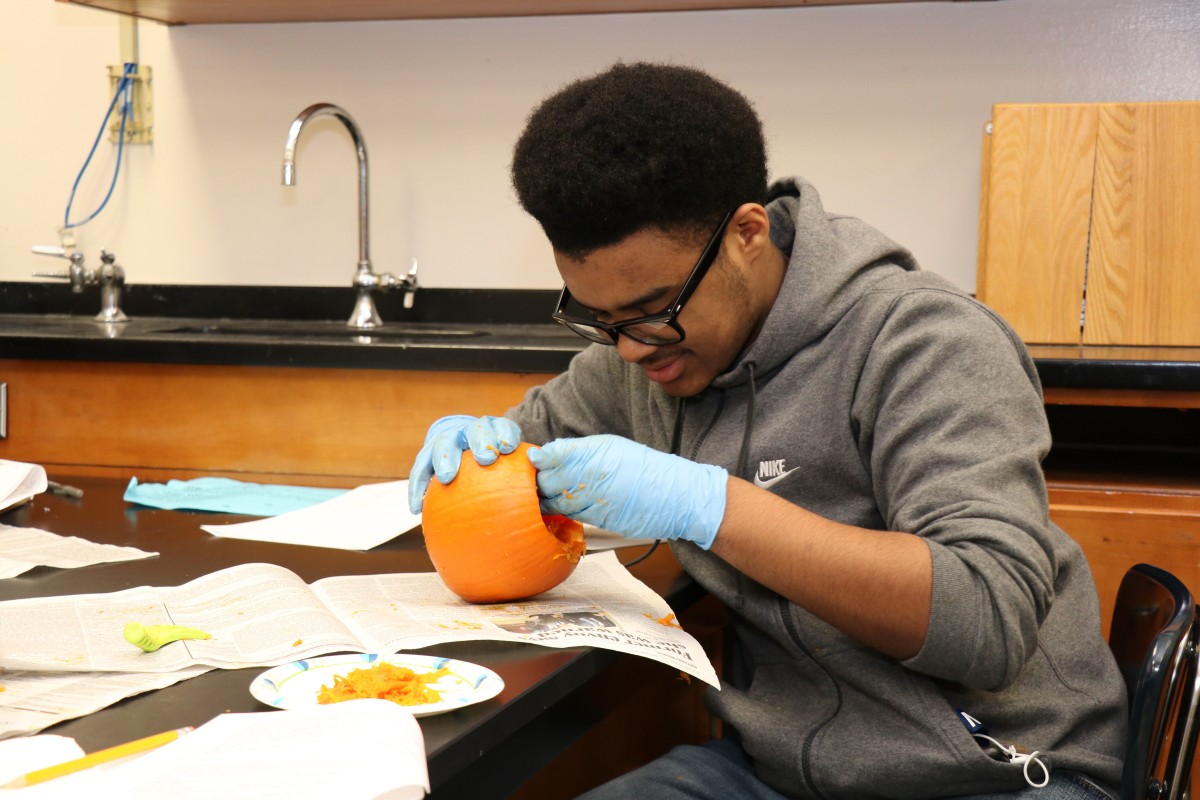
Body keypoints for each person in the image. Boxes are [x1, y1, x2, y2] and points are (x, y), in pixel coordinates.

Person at [408, 62, 1127, 800]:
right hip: (780, 775)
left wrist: (710, 506)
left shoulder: (927, 343)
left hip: (997, 775)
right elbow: (524, 444)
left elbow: (987, 620)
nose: (627, 349)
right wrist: (477, 448)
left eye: (653, 307)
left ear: (747, 233)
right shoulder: (648, 351)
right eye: (599, 317)